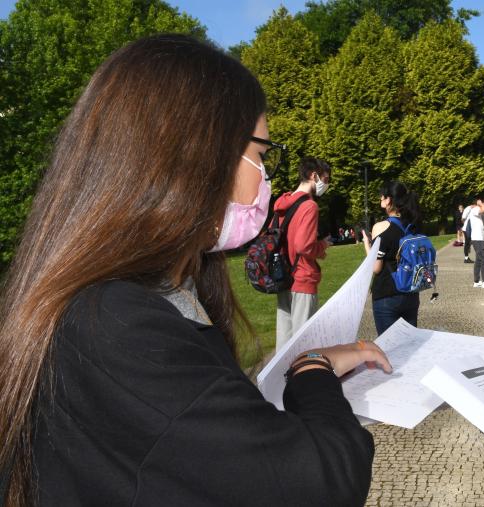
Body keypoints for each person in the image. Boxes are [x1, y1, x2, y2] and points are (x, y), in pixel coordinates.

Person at [0, 35, 393, 506]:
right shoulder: (120, 327)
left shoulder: (146, 297)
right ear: (197, 156)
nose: (265, 177)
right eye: (261, 155)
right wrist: (312, 368)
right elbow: (323, 481)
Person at [273, 157, 332, 351]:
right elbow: (303, 246)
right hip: (302, 277)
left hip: (283, 276)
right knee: (303, 344)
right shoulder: (309, 206)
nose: (326, 185)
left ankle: (282, 371)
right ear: (314, 176)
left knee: (284, 342)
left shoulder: (283, 203)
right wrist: (322, 246)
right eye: (326, 179)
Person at [363, 181, 424, 335]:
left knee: (389, 346)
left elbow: (376, 268)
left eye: (382, 197)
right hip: (411, 292)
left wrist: (367, 245)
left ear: (389, 200)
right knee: (410, 343)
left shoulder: (380, 227)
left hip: (387, 294)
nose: (380, 200)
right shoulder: (413, 226)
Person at [463, 195, 484, 288]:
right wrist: (480, 204)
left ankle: (476, 281)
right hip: (477, 238)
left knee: (479, 260)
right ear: (479, 202)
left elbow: (482, 225)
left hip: (481, 238)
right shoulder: (475, 209)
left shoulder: (481, 212)